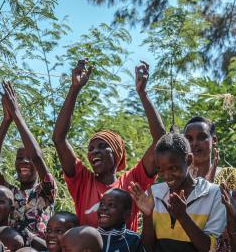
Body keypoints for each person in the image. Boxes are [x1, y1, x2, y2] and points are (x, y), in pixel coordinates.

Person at [53, 60, 165, 229]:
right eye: (91, 149)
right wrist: (74, 88)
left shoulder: (132, 181)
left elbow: (160, 139)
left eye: (102, 146)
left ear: (116, 153)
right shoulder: (82, 181)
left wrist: (142, 93)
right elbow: (59, 139)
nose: (94, 152)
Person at [0, 81, 56, 248]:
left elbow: (37, 157)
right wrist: (6, 120)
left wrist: (16, 114)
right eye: (19, 158)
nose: (24, 162)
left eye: (28, 158)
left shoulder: (46, 191)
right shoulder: (9, 194)